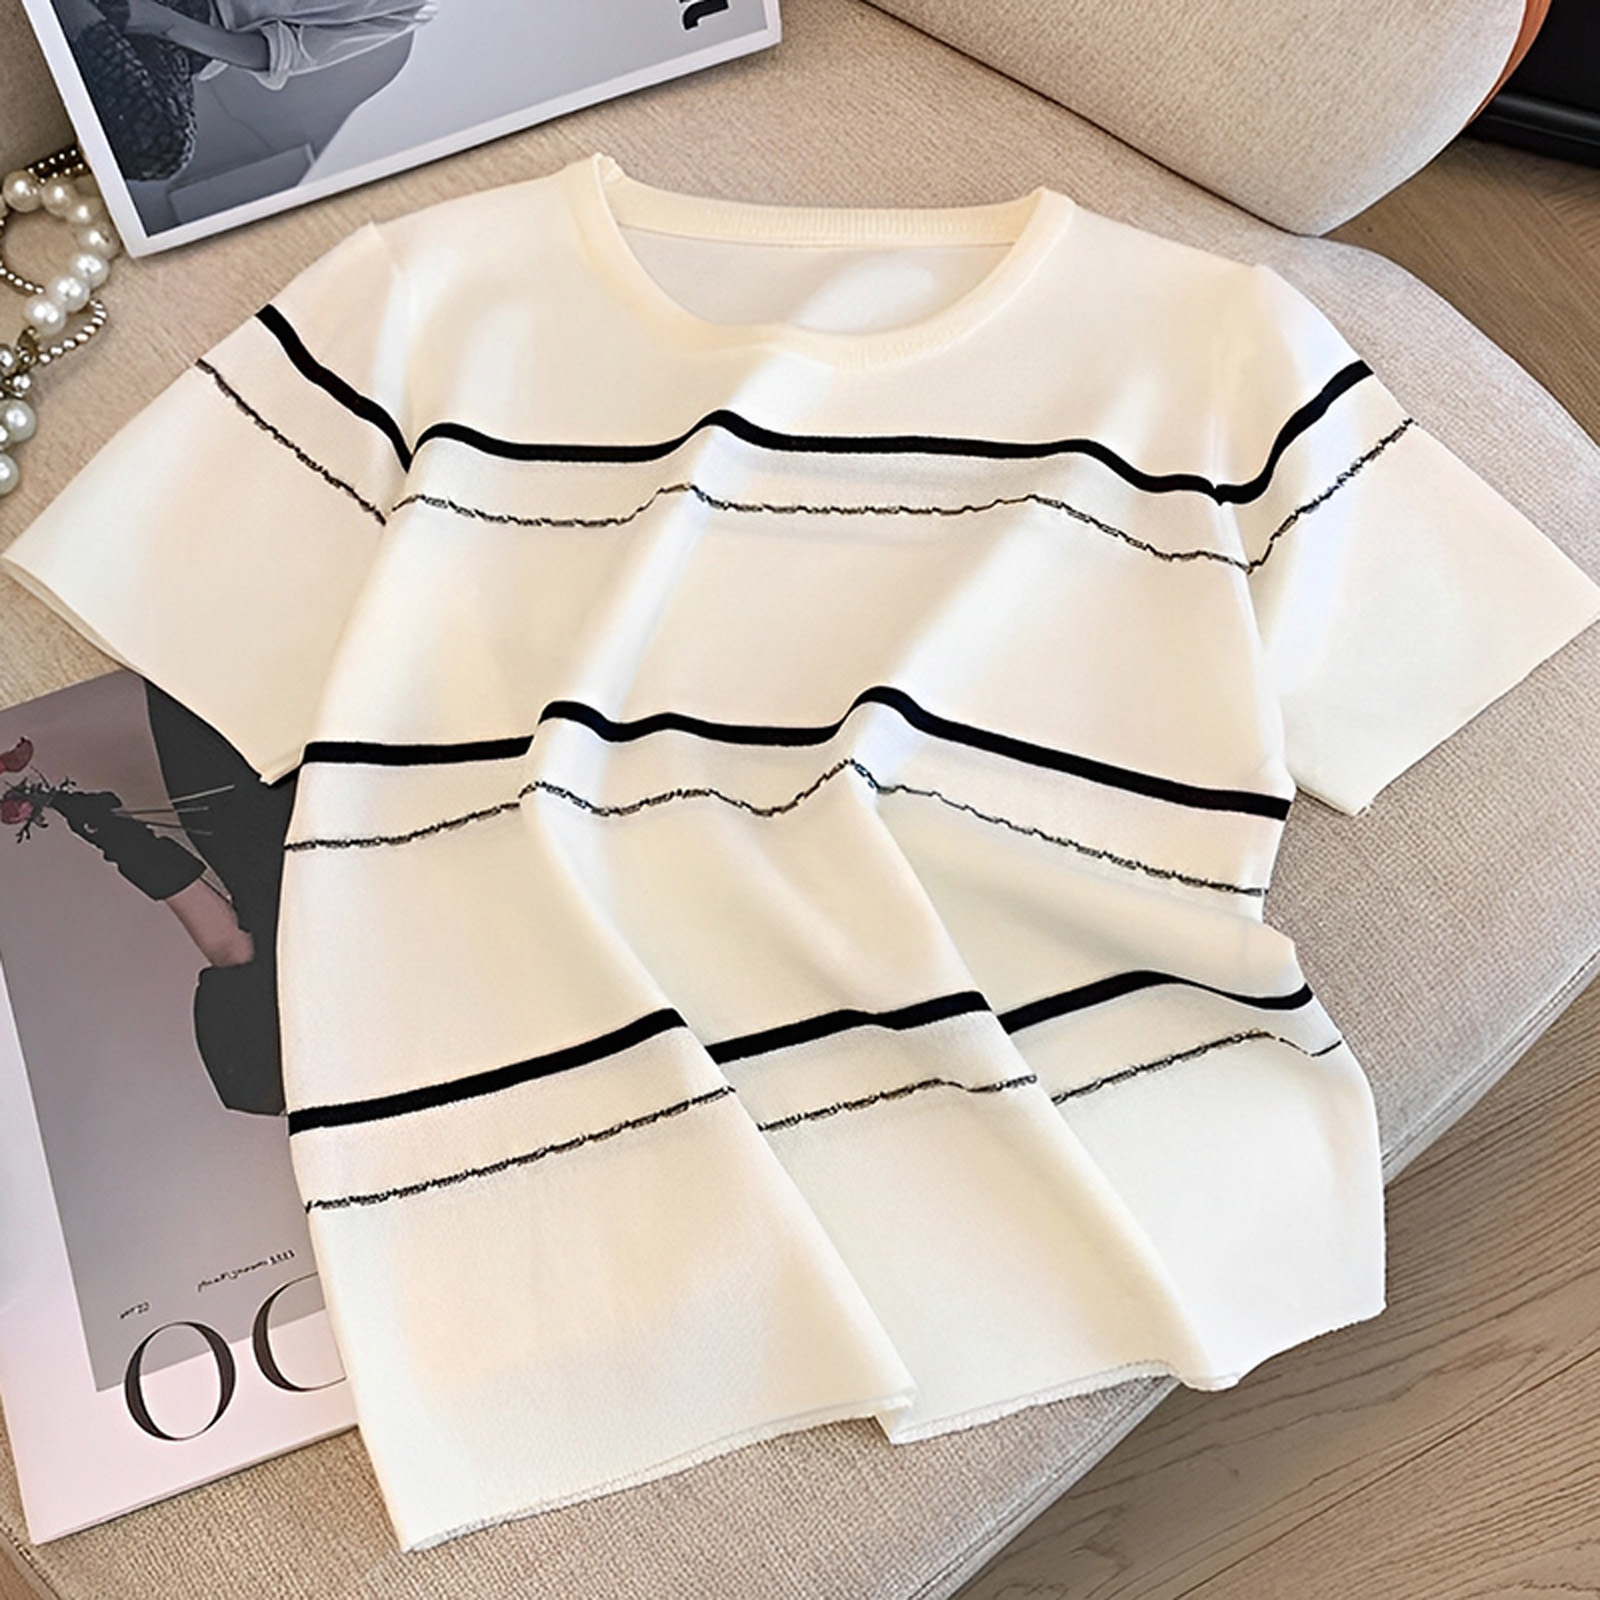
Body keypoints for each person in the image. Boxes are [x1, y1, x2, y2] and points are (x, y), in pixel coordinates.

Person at [54, 0, 435, 179]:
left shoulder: (414, 9)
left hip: (186, 30)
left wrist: (159, 21)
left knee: (160, 149)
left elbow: (279, 52)